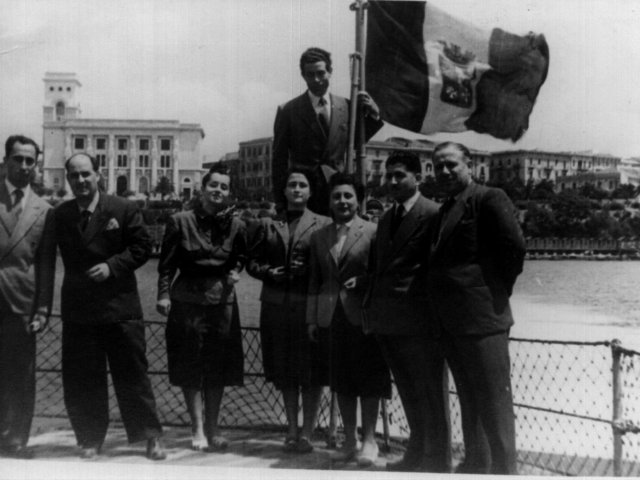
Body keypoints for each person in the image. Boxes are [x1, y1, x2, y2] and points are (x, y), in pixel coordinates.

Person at [52, 153, 166, 460]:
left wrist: (112, 266)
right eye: (74, 176)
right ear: (68, 179)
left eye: (86, 174)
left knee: (132, 374)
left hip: (119, 306)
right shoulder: (61, 214)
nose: (81, 181)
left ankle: (151, 436)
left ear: (98, 174)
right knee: (83, 377)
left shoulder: (123, 208)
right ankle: (90, 438)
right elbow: (45, 255)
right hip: (80, 309)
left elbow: (142, 248)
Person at [427, 142, 526, 474]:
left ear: (469, 165)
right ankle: (477, 466)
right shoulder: (444, 211)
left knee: (495, 404)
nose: (444, 171)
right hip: (453, 324)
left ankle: (505, 472)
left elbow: (513, 249)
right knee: (469, 401)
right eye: (438, 166)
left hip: (483, 321)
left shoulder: (488, 197)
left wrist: (492, 294)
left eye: (451, 164)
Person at [363, 151, 450, 472]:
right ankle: (416, 454)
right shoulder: (386, 219)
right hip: (389, 323)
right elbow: (379, 270)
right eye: (389, 175)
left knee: (430, 396)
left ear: (418, 177)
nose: (393, 181)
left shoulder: (432, 214)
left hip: (420, 326)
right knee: (410, 395)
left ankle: (439, 464)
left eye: (400, 175)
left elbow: (437, 270)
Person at [156, 164, 245, 452]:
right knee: (191, 366)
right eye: (213, 185)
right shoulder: (179, 221)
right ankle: (196, 429)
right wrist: (163, 295)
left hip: (222, 303)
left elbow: (241, 257)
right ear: (202, 189)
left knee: (217, 368)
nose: (218, 191)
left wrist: (237, 272)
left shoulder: (237, 225)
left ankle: (213, 428)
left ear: (229, 193)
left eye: (223, 187)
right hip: (187, 303)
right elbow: (166, 265)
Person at [306, 173, 390, 467]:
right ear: (329, 201)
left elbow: (384, 275)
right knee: (341, 382)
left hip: (364, 316)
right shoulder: (319, 236)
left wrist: (364, 281)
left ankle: (369, 440)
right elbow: (314, 280)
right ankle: (350, 439)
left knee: (368, 381)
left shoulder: (374, 232)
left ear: (358, 200)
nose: (342, 201)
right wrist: (312, 320)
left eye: (348, 196)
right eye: (336, 196)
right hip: (332, 317)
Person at [247, 167, 331, 453]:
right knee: (284, 370)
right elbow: (252, 263)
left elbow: (330, 267)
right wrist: (270, 271)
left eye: (302, 185)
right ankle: (291, 429)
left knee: (310, 369)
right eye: (292, 185)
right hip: (275, 306)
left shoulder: (323, 224)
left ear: (310, 192)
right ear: (284, 191)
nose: (297, 189)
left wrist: (308, 270)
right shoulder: (268, 223)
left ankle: (308, 431)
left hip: (308, 307)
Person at [271, 47, 384, 215]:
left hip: (337, 194)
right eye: (310, 75)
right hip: (303, 195)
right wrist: (280, 202)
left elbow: (357, 143)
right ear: (303, 76)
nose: (316, 80)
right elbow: (279, 160)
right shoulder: (288, 110)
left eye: (321, 73)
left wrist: (374, 114)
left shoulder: (346, 107)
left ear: (330, 72)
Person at [0, 135, 56, 459]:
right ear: (6, 160)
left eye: (30, 161)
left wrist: (43, 309)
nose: (24, 166)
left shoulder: (44, 210)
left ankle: (16, 438)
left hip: (20, 303)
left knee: (21, 375)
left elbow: (46, 266)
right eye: (18, 159)